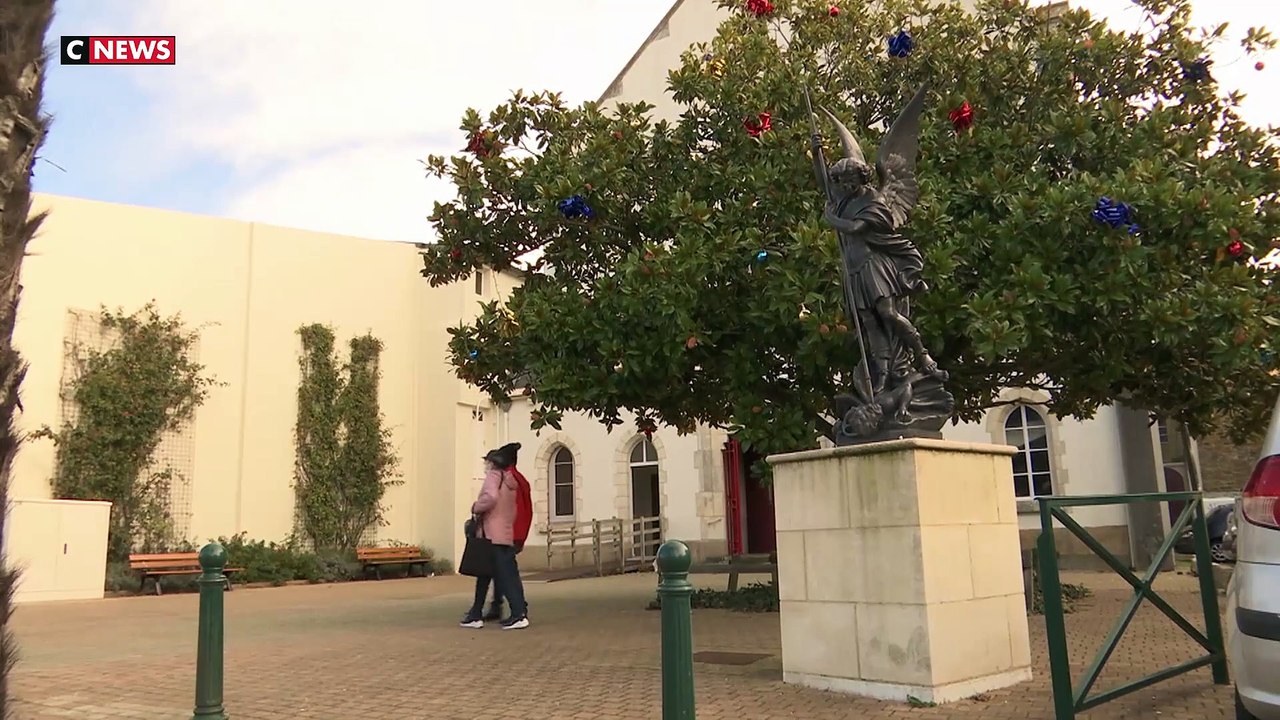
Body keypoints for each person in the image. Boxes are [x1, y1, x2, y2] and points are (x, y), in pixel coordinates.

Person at [459, 444, 529, 630]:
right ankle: (476, 613)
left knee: (502, 575)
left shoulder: (494, 476)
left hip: (491, 534)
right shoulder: (510, 480)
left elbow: (490, 498)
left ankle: (517, 614)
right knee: (491, 574)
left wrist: (476, 507)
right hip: (505, 533)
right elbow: (513, 510)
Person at [481, 443, 532, 621]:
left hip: (507, 532)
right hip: (513, 531)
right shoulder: (517, 478)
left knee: (505, 572)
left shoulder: (507, 479)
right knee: (501, 571)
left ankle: (517, 609)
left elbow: (512, 508)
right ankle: (501, 605)